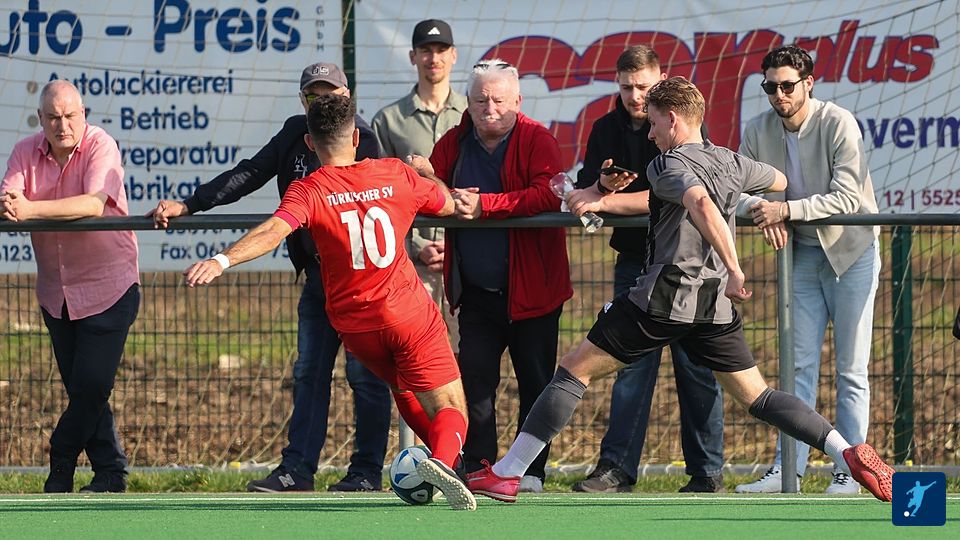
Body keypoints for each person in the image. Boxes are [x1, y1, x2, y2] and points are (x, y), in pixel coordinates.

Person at [464, 76, 896, 504]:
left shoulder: (666, 164)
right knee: (759, 396)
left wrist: (735, 268)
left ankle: (508, 473)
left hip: (662, 299)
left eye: (653, 123)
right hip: (714, 307)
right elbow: (778, 179)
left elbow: (699, 202)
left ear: (672, 119)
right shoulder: (730, 161)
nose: (650, 134)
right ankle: (847, 452)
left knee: (574, 371)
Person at [183, 93, 476, 511]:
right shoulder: (395, 173)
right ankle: (445, 462)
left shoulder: (308, 190)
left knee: (401, 386)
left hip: (357, 327)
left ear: (309, 143)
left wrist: (221, 260)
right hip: (406, 314)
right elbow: (446, 204)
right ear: (356, 138)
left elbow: (273, 230)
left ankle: (446, 466)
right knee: (451, 406)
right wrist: (429, 174)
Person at [150, 62, 392, 493]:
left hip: (361, 284)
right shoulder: (294, 133)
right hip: (319, 281)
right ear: (303, 101)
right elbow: (248, 173)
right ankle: (296, 470)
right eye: (313, 95)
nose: (322, 101)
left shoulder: (364, 139)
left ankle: (366, 473)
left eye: (331, 93)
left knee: (366, 377)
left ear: (347, 97)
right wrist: (190, 204)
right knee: (309, 373)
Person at [567, 45, 725, 494]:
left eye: (643, 87)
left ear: (661, 81)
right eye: (626, 88)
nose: (635, 96)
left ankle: (707, 473)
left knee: (698, 368)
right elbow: (586, 190)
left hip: (689, 265)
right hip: (637, 264)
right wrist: (601, 185)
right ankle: (616, 469)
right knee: (629, 367)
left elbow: (676, 191)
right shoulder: (604, 128)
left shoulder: (686, 126)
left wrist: (607, 200)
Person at [409, 58, 572, 494]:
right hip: (477, 293)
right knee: (475, 383)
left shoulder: (539, 139)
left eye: (499, 100)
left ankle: (529, 472)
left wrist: (487, 206)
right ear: (468, 101)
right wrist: (430, 179)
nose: (490, 108)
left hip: (534, 293)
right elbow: (431, 190)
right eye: (481, 100)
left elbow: (547, 195)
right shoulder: (454, 141)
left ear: (518, 100)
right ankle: (479, 469)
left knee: (536, 384)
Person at [735, 45, 881, 495]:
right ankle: (788, 471)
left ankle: (850, 472)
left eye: (787, 86)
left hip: (851, 254)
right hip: (799, 256)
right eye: (770, 87)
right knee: (797, 367)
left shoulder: (838, 122)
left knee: (851, 370)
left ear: (808, 84)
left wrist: (785, 211)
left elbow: (848, 197)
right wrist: (762, 209)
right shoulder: (757, 129)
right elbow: (733, 191)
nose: (778, 95)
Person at [1, 80, 140, 493]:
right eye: (53, 118)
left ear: (83, 115)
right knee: (84, 391)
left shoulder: (101, 145)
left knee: (92, 385)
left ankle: (60, 455)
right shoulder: (24, 150)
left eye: (70, 116)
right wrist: (10, 205)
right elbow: (10, 198)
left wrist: (30, 209)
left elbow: (92, 204)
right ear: (40, 119)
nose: (63, 125)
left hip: (109, 286)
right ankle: (110, 472)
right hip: (56, 293)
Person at [371, 19, 466, 358]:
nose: (433, 58)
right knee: (414, 358)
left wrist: (454, 244)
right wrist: (417, 246)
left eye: (441, 50)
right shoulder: (388, 120)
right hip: (411, 266)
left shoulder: (475, 115)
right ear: (413, 56)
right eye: (426, 50)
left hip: (465, 262)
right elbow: (379, 200)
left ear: (454, 55)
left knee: (468, 360)